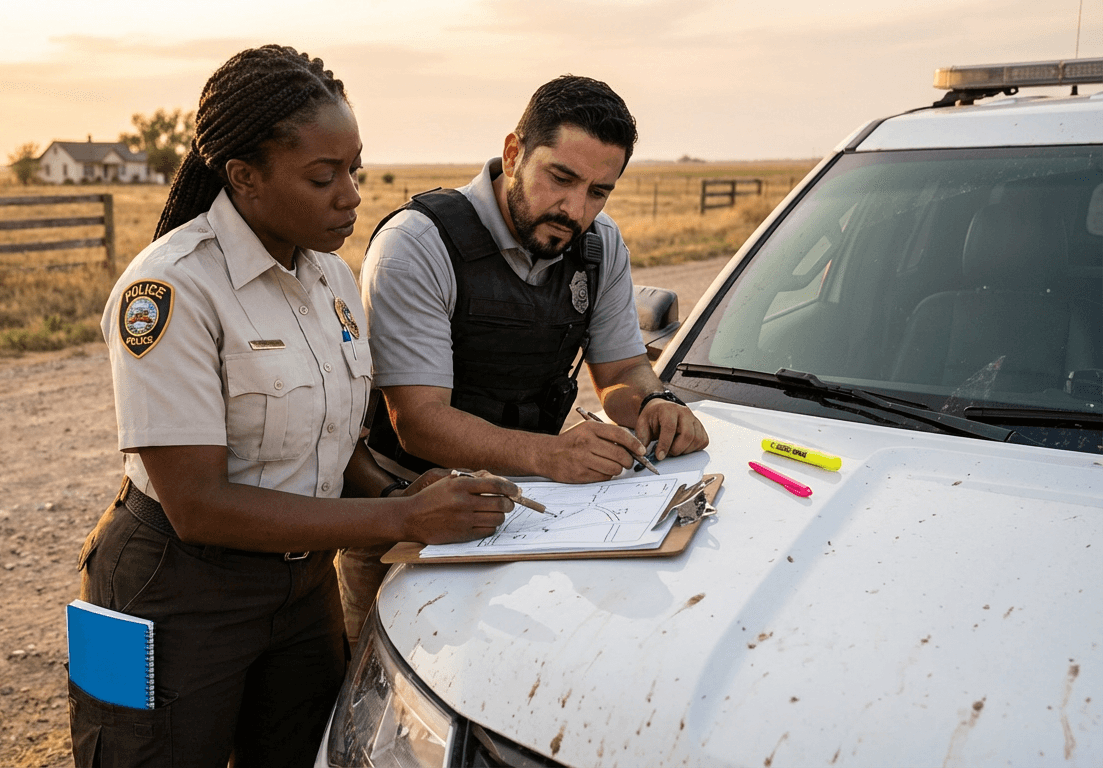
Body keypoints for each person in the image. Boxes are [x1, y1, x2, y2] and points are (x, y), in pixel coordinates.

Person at [70, 45, 518, 768]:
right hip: (175, 590)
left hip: (303, 587)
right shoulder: (171, 289)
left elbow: (330, 442)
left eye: (355, 169)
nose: (351, 195)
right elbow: (199, 506)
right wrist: (402, 520)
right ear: (244, 177)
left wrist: (400, 492)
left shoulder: (332, 279)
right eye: (322, 176)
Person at [340, 75, 710, 640]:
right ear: (514, 153)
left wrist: (653, 402)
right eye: (560, 179)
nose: (575, 209)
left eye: (599, 191)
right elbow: (417, 420)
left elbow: (619, 373)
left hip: (533, 512)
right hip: (407, 513)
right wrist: (552, 455)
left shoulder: (600, 245)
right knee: (392, 677)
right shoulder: (417, 245)